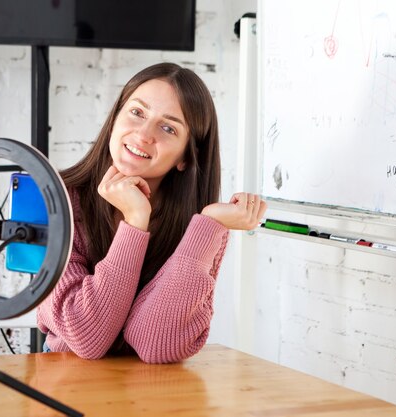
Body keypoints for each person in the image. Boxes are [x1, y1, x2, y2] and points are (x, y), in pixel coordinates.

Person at [37, 63, 266, 364]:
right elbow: (86, 337)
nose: (144, 134)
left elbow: (156, 345)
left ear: (185, 157)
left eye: (168, 127)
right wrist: (134, 221)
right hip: (65, 382)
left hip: (152, 394)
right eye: (137, 112)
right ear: (115, 118)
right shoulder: (54, 201)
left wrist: (210, 224)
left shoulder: (202, 227)